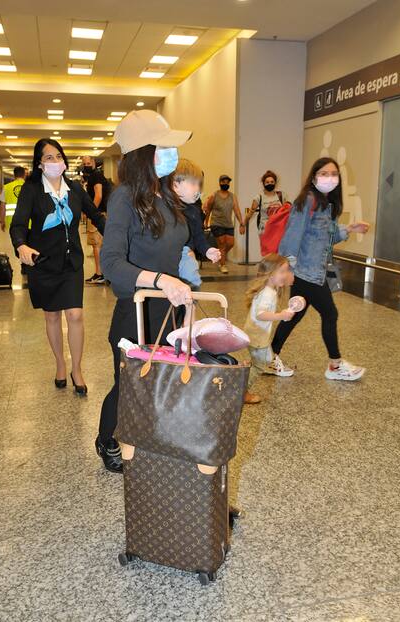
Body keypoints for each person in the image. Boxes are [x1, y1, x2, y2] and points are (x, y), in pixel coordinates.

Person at [96, 109, 193, 473]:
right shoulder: (123, 198)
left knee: (163, 385)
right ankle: (107, 439)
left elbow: (176, 242)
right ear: (143, 154)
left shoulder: (166, 194)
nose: (172, 154)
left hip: (170, 311)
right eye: (164, 147)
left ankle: (156, 448)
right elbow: (112, 263)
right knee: (128, 388)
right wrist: (160, 280)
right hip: (136, 311)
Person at [9, 139, 106, 395]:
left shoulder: (74, 189)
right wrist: (21, 245)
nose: (55, 161)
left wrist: (116, 235)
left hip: (71, 261)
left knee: (75, 315)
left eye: (58, 156)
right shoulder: (31, 190)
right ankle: (60, 364)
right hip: (43, 263)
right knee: (52, 315)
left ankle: (77, 368)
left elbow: (95, 215)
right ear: (39, 163)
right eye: (49, 157)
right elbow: (18, 224)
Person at [271, 157, 370, 381]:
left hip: (315, 271)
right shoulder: (308, 200)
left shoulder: (326, 203)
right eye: (324, 173)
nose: (330, 178)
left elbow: (325, 238)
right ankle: (335, 365)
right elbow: (293, 234)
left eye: (334, 174)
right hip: (305, 272)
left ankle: (269, 356)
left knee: (294, 315)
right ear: (314, 177)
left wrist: (349, 229)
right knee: (330, 313)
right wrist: (288, 269)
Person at [244, 254, 295, 404]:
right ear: (270, 274)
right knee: (261, 365)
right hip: (258, 336)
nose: (285, 275)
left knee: (264, 359)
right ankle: (243, 392)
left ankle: (248, 366)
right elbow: (261, 315)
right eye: (282, 271)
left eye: (286, 271)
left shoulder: (268, 289)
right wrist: (281, 315)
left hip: (253, 334)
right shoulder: (267, 293)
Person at [171, 158, 221, 290]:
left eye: (199, 184)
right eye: (193, 184)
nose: (198, 188)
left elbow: (199, 236)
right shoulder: (165, 208)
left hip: (186, 256)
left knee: (192, 287)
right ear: (175, 185)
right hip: (167, 259)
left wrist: (207, 250)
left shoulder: (193, 210)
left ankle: (189, 310)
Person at [203, 174, 245, 273]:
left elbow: (237, 210)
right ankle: (223, 265)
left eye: (227, 182)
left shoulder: (232, 196)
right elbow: (208, 210)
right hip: (216, 223)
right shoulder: (214, 195)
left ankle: (219, 255)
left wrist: (241, 223)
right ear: (220, 183)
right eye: (223, 182)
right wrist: (206, 221)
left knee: (230, 243)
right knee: (222, 244)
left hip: (228, 224)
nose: (225, 183)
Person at [81, 156, 111, 284]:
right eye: (84, 163)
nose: (87, 165)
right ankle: (102, 273)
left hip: (98, 214)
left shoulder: (96, 176)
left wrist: (92, 212)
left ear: (93, 163)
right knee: (98, 245)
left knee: (97, 245)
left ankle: (100, 273)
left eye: (89, 163)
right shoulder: (94, 176)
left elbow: (98, 195)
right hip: (101, 213)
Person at [244, 170, 289, 239]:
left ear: (275, 183)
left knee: (278, 249)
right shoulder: (259, 197)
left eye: (272, 182)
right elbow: (250, 212)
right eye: (267, 182)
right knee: (268, 249)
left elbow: (288, 212)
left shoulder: (281, 195)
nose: (269, 184)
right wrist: (243, 225)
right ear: (263, 184)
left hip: (278, 230)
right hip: (265, 230)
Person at [0, 166, 26, 232]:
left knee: (15, 241)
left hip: (11, 221)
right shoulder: (30, 186)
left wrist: (2, 221)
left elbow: (2, 207)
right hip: (27, 221)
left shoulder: (6, 187)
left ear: (14, 175)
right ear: (24, 175)